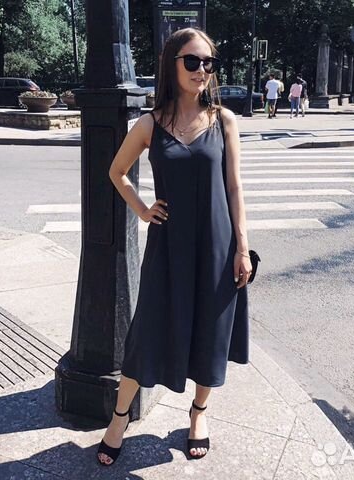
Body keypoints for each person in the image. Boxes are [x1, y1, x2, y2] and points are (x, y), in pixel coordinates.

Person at [98, 27, 252, 466]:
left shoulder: (224, 120)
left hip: (217, 244)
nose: (202, 70)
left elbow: (235, 188)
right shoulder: (151, 123)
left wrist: (242, 248)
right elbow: (116, 171)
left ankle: (198, 413)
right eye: (193, 61)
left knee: (210, 330)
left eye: (209, 63)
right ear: (172, 64)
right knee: (147, 330)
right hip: (168, 246)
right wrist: (143, 210)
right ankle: (119, 418)